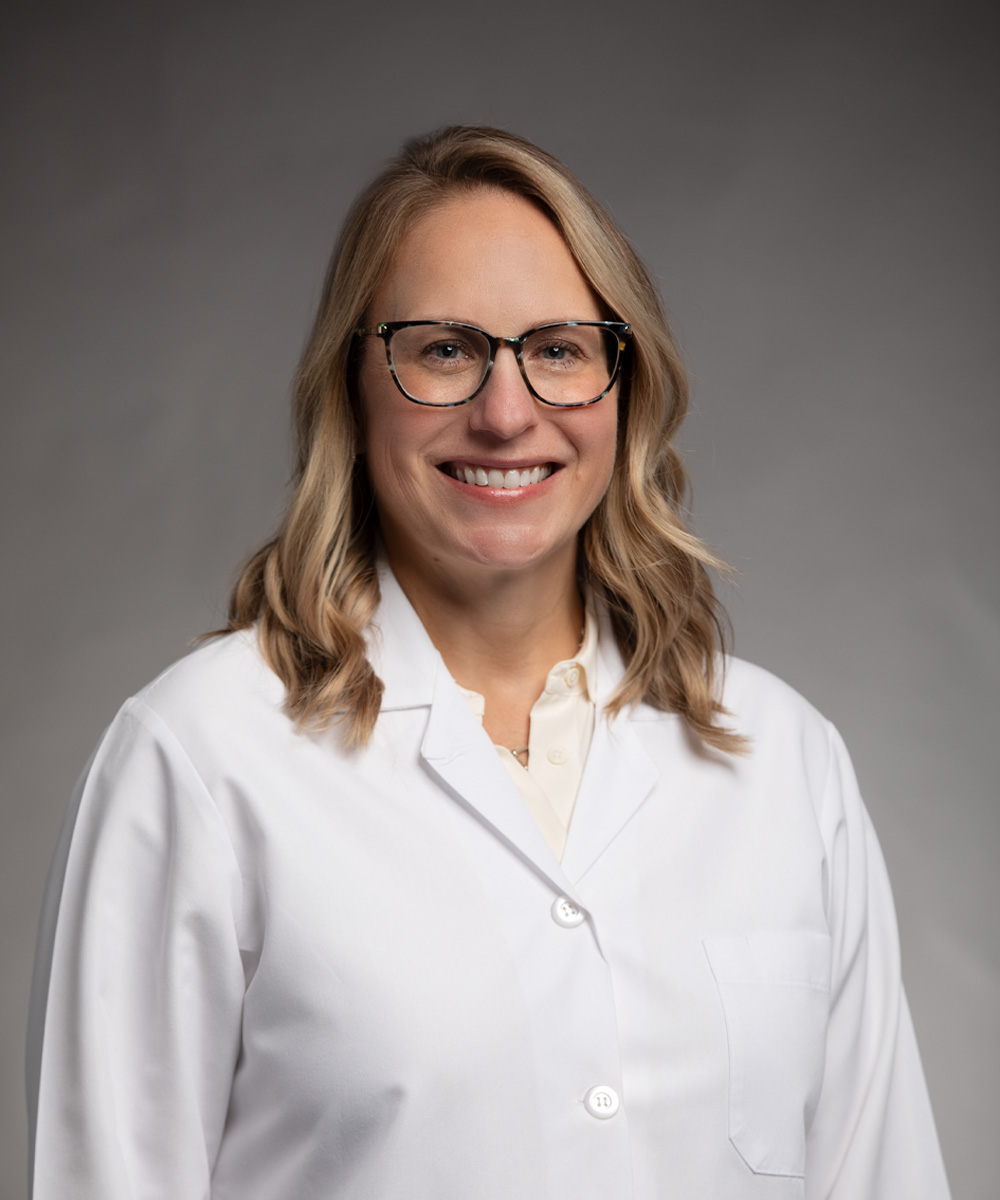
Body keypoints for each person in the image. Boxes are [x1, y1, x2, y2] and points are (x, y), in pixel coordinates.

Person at [26, 126, 950, 1199]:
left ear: (623, 386)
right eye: (443, 349)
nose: (506, 414)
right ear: (353, 389)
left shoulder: (785, 763)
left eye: (557, 348)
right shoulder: (198, 759)